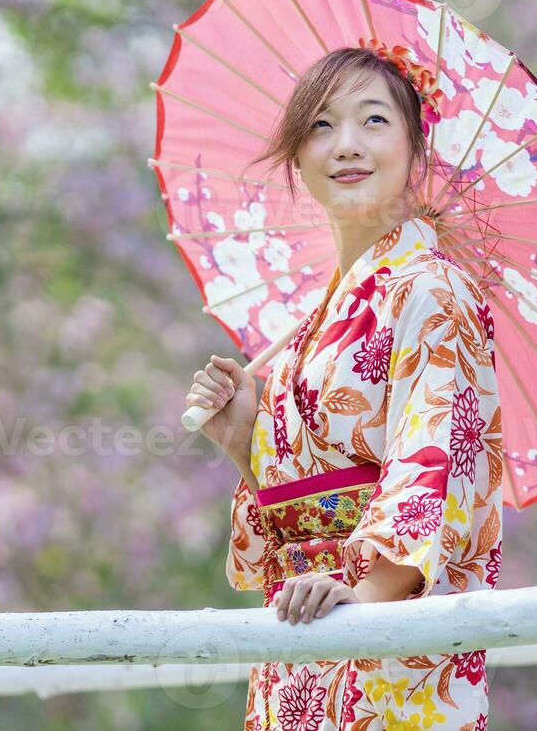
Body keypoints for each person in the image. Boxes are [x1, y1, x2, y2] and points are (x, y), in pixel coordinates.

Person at [190, 45, 503, 731]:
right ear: (296, 158)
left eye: (373, 121)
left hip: (380, 637)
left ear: (415, 147)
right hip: (304, 633)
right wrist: (245, 439)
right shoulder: (314, 321)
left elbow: (437, 466)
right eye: (322, 127)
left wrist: (362, 599)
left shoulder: (432, 293)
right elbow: (297, 509)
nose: (348, 146)